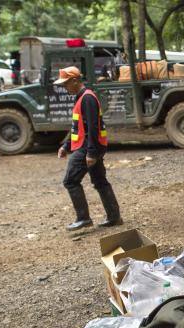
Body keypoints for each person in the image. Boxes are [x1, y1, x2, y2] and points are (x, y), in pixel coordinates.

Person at [55, 66, 122, 230]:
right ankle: (114, 217)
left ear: (75, 80)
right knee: (100, 181)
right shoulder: (81, 98)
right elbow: (79, 127)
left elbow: (93, 127)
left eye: (66, 84)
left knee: (70, 181)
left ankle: (83, 218)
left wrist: (91, 153)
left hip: (87, 148)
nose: (64, 87)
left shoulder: (87, 98)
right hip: (89, 146)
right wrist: (66, 145)